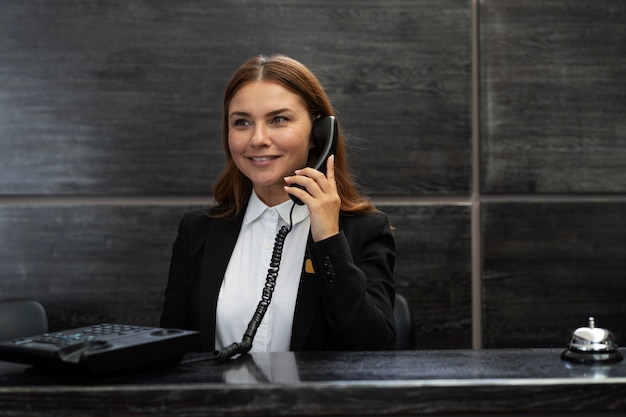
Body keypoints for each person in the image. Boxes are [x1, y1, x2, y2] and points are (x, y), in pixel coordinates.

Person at [160, 54, 396, 356]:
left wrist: (328, 240)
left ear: (318, 134)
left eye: (278, 119)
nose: (258, 138)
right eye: (242, 122)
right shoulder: (198, 231)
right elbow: (172, 351)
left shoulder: (363, 230)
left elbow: (376, 349)